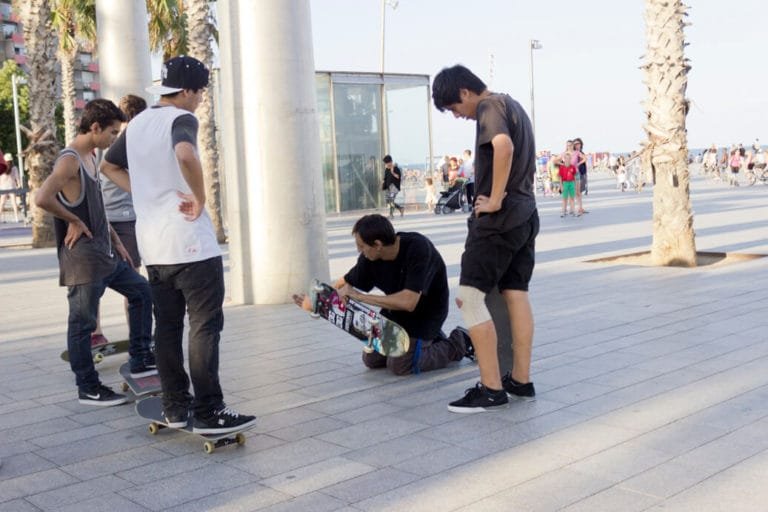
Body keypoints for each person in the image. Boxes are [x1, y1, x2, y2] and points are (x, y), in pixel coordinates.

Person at [101, 55, 256, 434]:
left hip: (154, 247)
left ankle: (174, 407)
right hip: (191, 244)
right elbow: (185, 154)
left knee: (167, 328)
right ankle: (209, 411)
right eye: (200, 92)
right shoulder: (181, 119)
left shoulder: (138, 123)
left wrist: (145, 194)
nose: (201, 99)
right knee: (204, 326)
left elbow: (108, 166)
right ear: (186, 91)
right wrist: (200, 198)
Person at [433, 64, 539, 413]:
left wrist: (493, 199)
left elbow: (503, 147)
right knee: (516, 293)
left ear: (465, 92)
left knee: (469, 298)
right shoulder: (512, 105)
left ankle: (491, 388)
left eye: (453, 107)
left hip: (499, 221)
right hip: (526, 213)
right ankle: (520, 380)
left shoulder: (488, 107)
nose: (456, 115)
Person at [35, 99, 155, 406]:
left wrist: (116, 240)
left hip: (105, 254)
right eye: (112, 132)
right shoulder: (70, 160)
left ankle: (141, 357)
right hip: (83, 260)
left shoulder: (90, 157)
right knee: (82, 323)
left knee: (142, 292)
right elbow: (42, 197)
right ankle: (88, 388)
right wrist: (73, 220)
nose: (114, 138)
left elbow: (97, 206)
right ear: (95, 127)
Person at [294, 214, 468, 375]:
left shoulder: (418, 249)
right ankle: (429, 342)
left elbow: (409, 302)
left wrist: (359, 296)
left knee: (400, 365)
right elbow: (344, 282)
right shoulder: (369, 258)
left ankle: (458, 342)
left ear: (377, 245)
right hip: (395, 314)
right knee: (371, 360)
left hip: (426, 316)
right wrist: (318, 301)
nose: (359, 251)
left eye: (362, 246)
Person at [93, 94, 149, 347]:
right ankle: (136, 332)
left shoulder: (104, 140)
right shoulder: (132, 141)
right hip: (125, 219)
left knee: (95, 280)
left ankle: (96, 332)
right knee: (133, 278)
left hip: (105, 217)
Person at [382, 154, 404, 219]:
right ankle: (400, 208)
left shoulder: (396, 169)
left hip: (394, 188)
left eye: (387, 163)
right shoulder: (386, 169)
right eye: (385, 163)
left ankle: (391, 215)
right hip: (388, 188)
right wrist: (383, 185)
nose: (386, 164)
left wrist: (392, 172)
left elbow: (398, 177)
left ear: (391, 162)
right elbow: (385, 178)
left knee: (391, 200)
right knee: (388, 201)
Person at [0, 152, 20, 223]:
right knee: (14, 203)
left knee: (2, 203)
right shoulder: (14, 168)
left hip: (3, 187)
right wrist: (19, 185)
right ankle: (16, 218)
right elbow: (17, 178)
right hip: (12, 187)